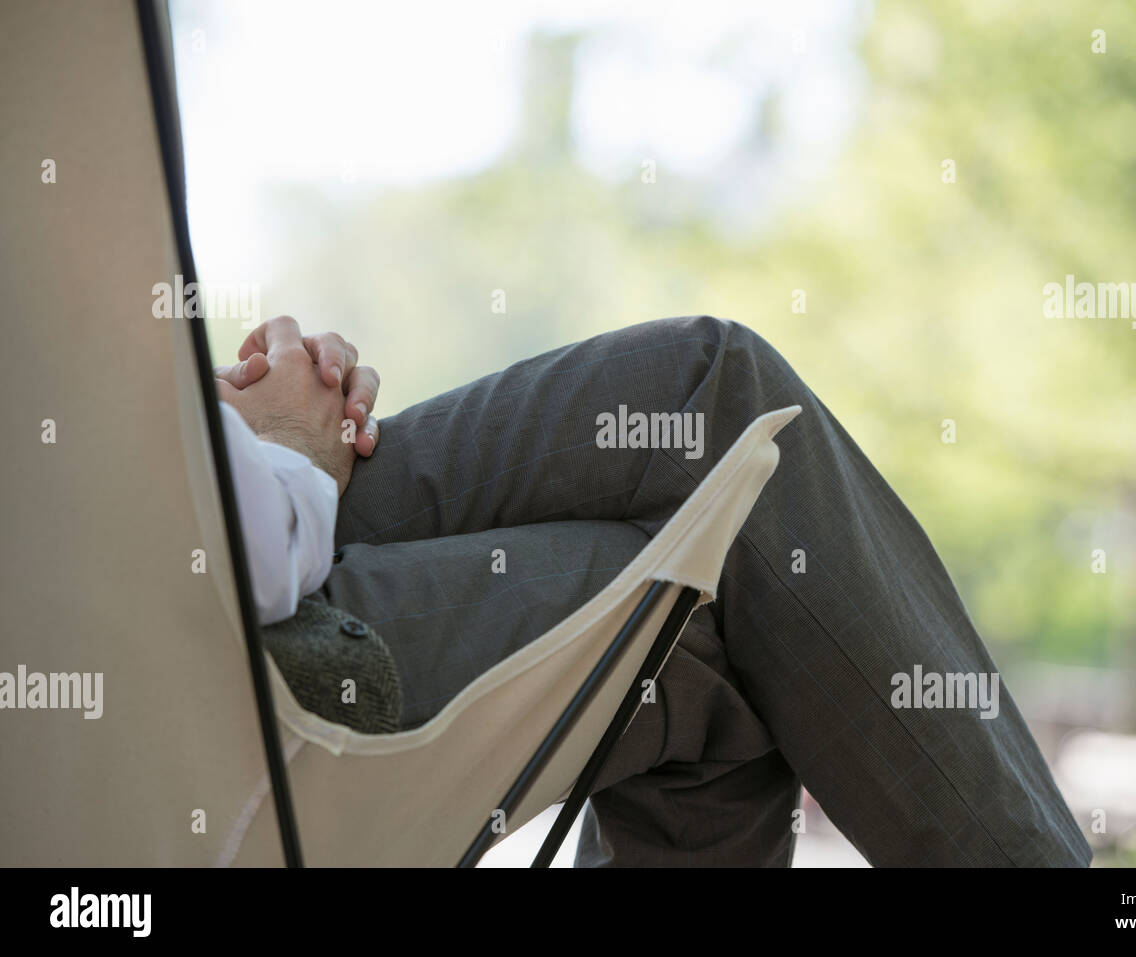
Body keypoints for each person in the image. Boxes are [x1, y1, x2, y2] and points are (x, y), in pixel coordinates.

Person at [215, 313, 1092, 868]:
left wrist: (236, 424)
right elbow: (239, 553)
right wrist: (289, 444)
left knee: (702, 610)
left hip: (238, 531)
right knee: (716, 398)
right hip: (228, 639)